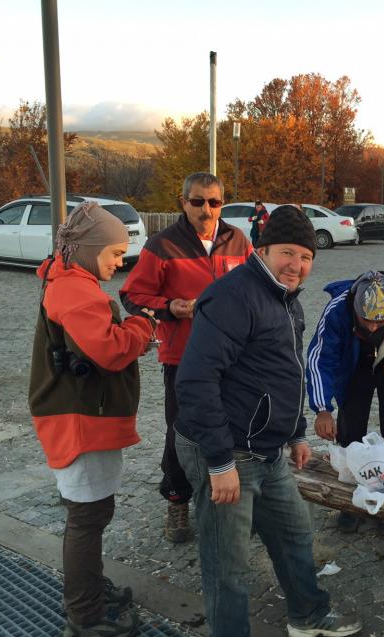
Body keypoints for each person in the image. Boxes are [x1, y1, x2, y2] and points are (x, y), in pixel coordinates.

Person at [174, 206, 362, 637]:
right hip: (224, 449)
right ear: (262, 249)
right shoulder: (233, 296)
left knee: (295, 535)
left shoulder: (285, 298)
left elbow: (287, 370)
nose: (297, 265)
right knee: (229, 565)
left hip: (268, 450)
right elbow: (196, 380)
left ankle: (308, 617)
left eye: (306, 257)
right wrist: (220, 463)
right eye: (288, 253)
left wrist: (295, 432)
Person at [29, 201, 157, 637]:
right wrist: (143, 328)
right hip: (80, 421)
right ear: (89, 250)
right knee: (87, 516)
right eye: (115, 253)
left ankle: (88, 589)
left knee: (88, 513)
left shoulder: (66, 278)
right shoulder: (75, 290)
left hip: (80, 415)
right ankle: (85, 613)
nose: (121, 261)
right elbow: (108, 349)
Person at [120, 172, 251, 544]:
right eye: (197, 201)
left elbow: (255, 286)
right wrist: (170, 307)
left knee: (235, 426)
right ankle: (177, 500)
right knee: (182, 431)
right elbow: (131, 295)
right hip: (184, 357)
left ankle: (235, 498)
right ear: (183, 203)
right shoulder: (163, 245)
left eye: (214, 202)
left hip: (233, 356)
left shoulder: (238, 240)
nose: (206, 210)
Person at [307, 270, 384, 534]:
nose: (373, 327)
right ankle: (351, 501)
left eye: (381, 321)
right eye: (366, 321)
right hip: (353, 364)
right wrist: (321, 409)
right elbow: (320, 358)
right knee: (350, 429)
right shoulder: (337, 309)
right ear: (354, 308)